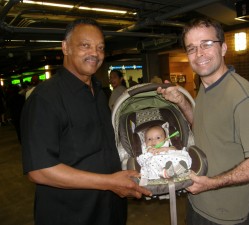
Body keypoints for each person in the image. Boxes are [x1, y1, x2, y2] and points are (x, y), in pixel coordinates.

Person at [20, 18, 151, 225]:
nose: (95, 53)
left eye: (100, 47)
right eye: (85, 45)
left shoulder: (99, 93)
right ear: (65, 47)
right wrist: (109, 182)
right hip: (72, 214)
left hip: (110, 210)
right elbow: (39, 171)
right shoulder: (46, 98)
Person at [157, 17, 249, 225]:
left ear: (223, 48)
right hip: (198, 200)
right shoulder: (206, 88)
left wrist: (211, 183)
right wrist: (181, 101)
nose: (199, 54)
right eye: (191, 48)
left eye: (206, 44)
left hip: (226, 213)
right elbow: (202, 127)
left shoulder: (243, 98)